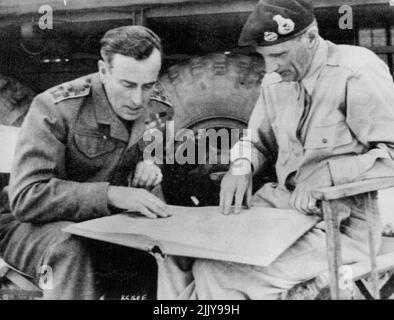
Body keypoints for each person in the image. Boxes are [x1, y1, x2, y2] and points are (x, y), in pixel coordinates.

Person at [157, 0, 394, 299]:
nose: (271, 67)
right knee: (176, 254)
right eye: (264, 57)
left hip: (340, 226)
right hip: (277, 212)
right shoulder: (275, 80)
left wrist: (329, 176)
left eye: (279, 54)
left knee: (218, 273)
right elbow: (256, 141)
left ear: (311, 38)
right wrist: (241, 165)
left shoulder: (356, 71)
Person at [0, 25, 173, 299]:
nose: (138, 99)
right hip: (30, 227)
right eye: (127, 85)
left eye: (148, 85)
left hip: (105, 223)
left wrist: (150, 167)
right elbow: (26, 198)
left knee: (160, 254)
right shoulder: (56, 108)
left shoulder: (159, 108)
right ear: (103, 71)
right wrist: (113, 194)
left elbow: (150, 151)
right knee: (70, 250)